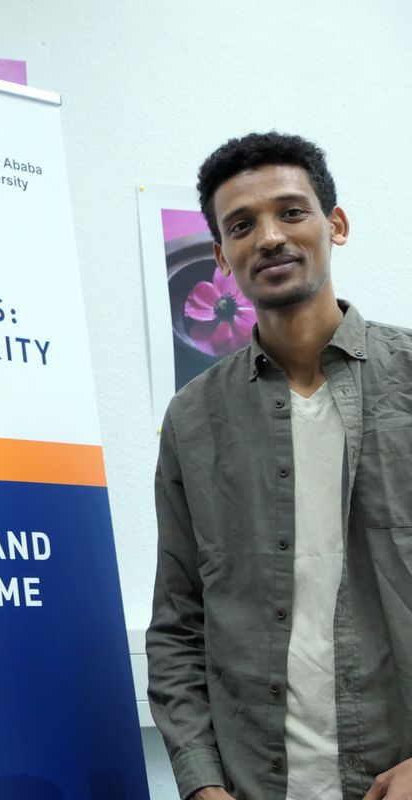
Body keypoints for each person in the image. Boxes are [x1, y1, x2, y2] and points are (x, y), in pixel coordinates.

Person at [147, 131, 412, 800]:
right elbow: (179, 622)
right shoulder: (193, 420)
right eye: (242, 225)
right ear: (221, 257)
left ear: (336, 225)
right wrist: (201, 783)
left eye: (291, 212)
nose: (268, 237)